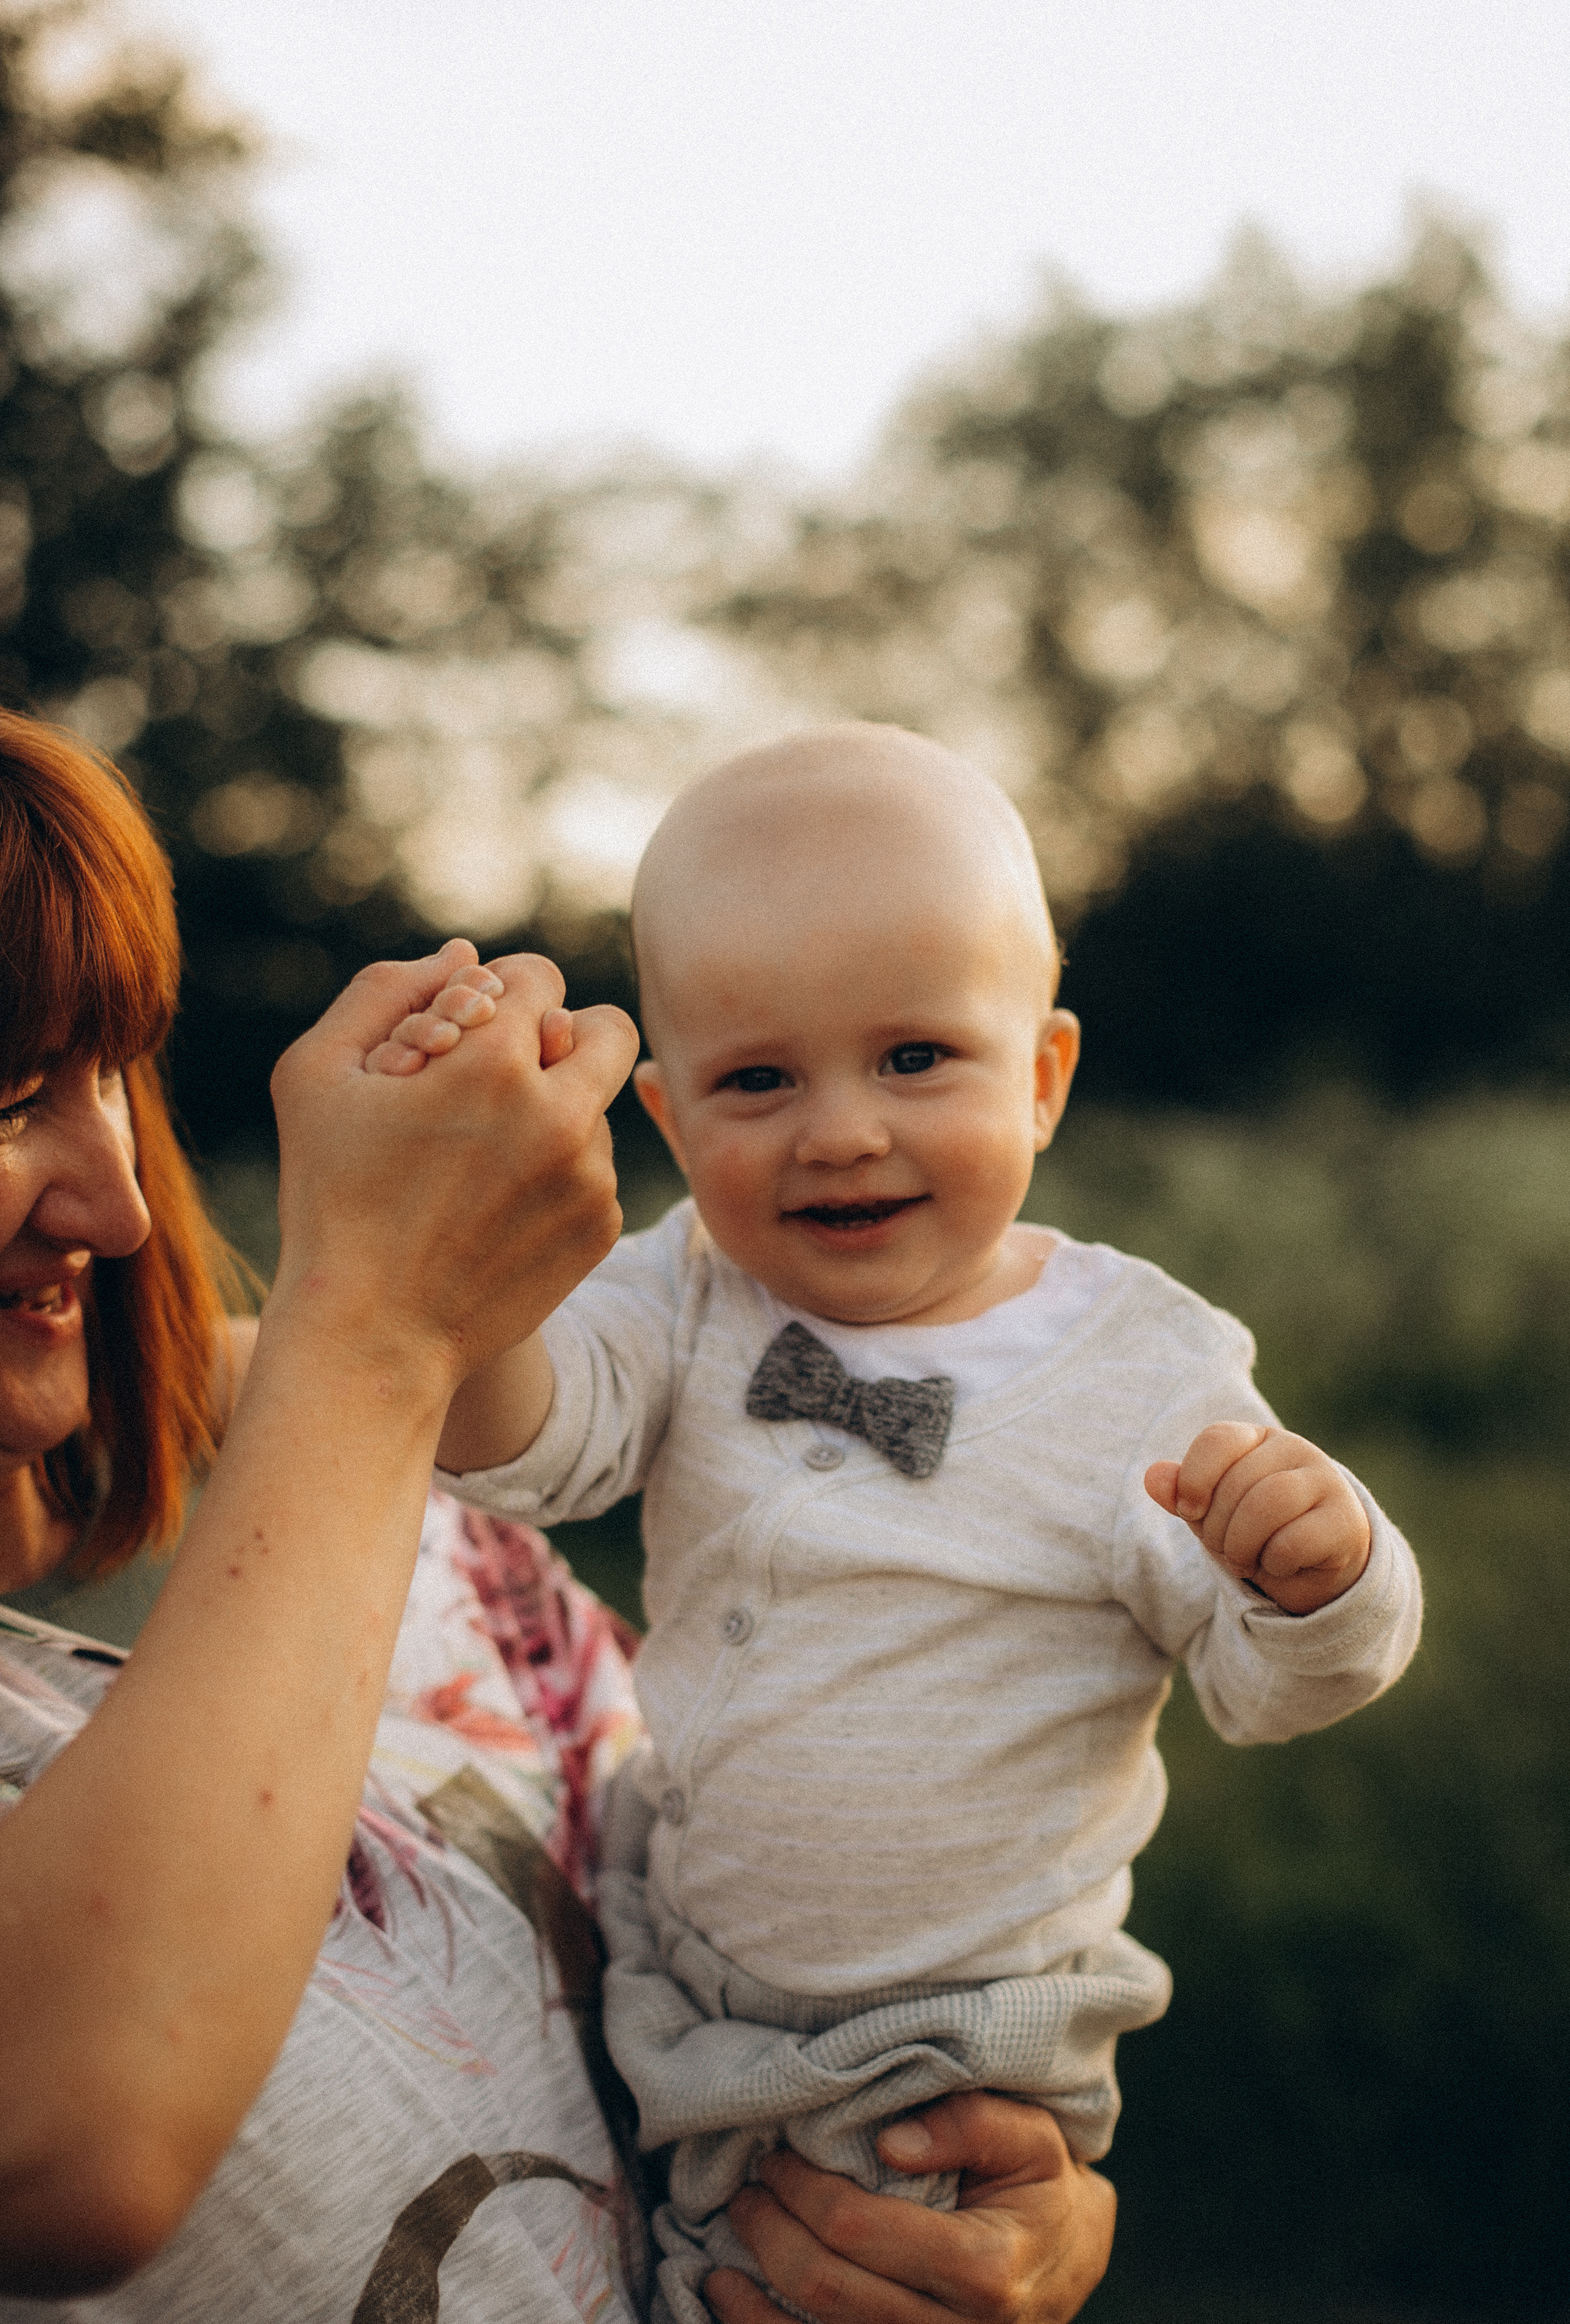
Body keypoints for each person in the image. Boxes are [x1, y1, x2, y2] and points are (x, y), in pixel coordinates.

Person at [0, 712, 1118, 2324]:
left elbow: (746, 1926)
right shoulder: (361, 1422)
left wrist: (963, 2209)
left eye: (116, 1072)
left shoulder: (432, 1535)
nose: (112, 1199)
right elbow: (66, 2142)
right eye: (13, 1096)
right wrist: (376, 1323)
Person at [419, 723, 1425, 2324]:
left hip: (963, 2034)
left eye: (913, 1059)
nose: (838, 1130)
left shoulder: (1149, 1369)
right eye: (759, 1079)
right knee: (663, 2276)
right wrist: (453, 1290)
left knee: (858, 2290)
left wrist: (1329, 1580)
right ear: (673, 1126)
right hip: (688, 1969)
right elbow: (534, 1445)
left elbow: (1269, 1687)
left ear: (1042, 1080)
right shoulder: (685, 1290)